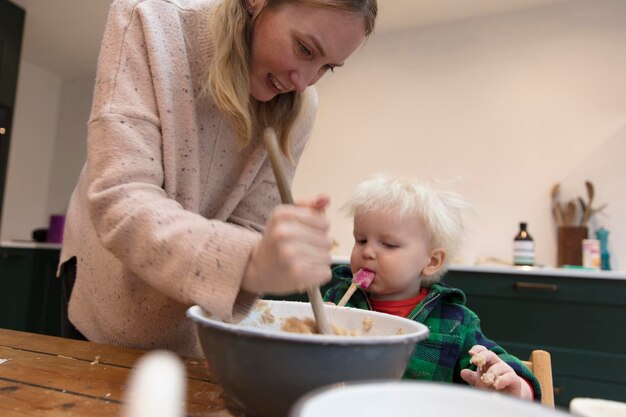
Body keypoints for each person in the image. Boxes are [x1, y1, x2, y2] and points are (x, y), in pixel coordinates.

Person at [59, 0, 377, 357]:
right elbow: (122, 198)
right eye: (304, 49)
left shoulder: (302, 107)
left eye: (327, 68)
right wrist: (251, 261)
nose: (304, 83)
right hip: (105, 288)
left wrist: (266, 250)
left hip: (196, 310)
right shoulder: (148, 18)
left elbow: (251, 226)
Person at [324, 173, 541, 401]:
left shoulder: (454, 322)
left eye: (388, 244)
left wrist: (515, 385)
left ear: (432, 261)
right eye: (361, 240)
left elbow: (494, 361)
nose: (367, 252)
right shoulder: (338, 302)